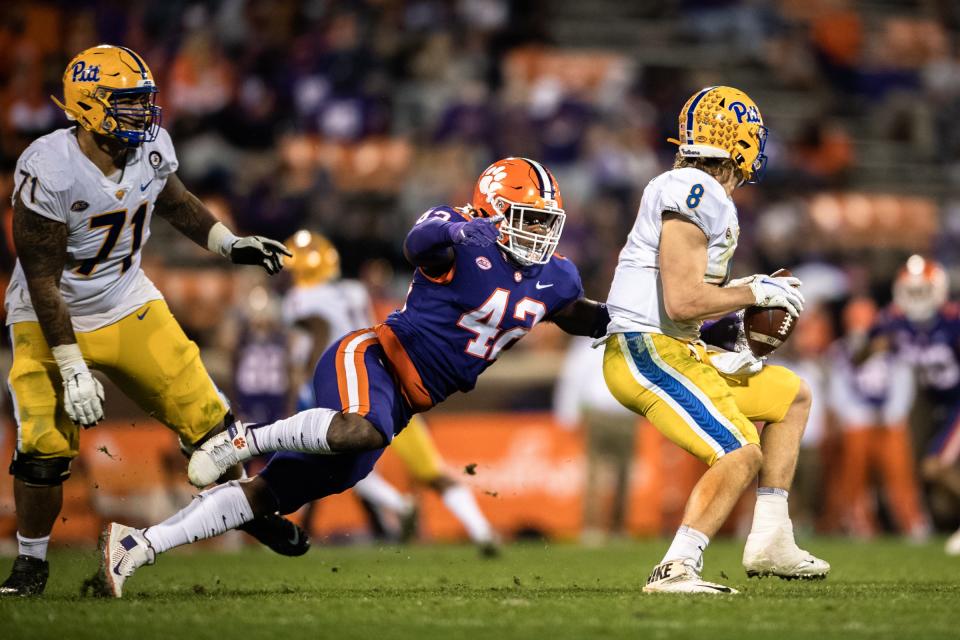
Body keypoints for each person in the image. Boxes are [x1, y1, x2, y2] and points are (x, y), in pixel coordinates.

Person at [91, 157, 610, 597]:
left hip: (403, 404)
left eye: (546, 221)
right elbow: (418, 242)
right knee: (363, 427)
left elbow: (583, 316)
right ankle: (242, 441)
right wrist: (458, 229)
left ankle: (137, 545)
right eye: (528, 218)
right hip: (372, 358)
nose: (539, 232)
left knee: (270, 496)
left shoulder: (556, 277)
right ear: (492, 213)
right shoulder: (457, 234)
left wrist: (642, 323)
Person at [0, 45, 302, 597]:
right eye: (128, 102)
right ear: (88, 107)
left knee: (214, 425)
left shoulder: (149, 148)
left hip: (127, 299)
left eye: (144, 101)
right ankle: (30, 564)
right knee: (43, 447)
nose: (144, 113)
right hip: (49, 314)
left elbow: (177, 202)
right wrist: (71, 367)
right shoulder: (49, 166)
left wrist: (229, 245)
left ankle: (248, 509)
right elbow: (43, 279)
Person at [600, 86, 829, 594]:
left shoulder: (695, 190)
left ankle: (772, 537)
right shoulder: (693, 188)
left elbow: (686, 305)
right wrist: (753, 290)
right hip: (649, 349)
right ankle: (676, 567)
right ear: (738, 142)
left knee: (791, 394)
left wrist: (738, 340)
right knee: (740, 452)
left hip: (677, 346)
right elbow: (682, 301)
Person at [282, 231, 497, 553]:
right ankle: (481, 530)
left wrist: (306, 389)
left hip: (346, 385)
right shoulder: (352, 290)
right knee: (428, 470)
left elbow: (320, 336)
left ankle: (398, 505)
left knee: (344, 460)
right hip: (389, 383)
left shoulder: (303, 298)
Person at [869, 256, 960, 554]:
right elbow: (862, 351)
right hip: (935, 406)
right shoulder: (894, 322)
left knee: (934, 467)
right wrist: (873, 346)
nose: (917, 299)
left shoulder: (953, 321)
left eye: (923, 291)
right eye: (913, 291)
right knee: (929, 472)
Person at [826, 297, 928, 540]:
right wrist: (853, 414)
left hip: (888, 422)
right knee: (854, 478)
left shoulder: (892, 346)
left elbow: (903, 379)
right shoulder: (840, 350)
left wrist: (895, 411)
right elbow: (838, 385)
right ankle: (859, 524)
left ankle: (912, 521)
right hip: (858, 422)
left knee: (900, 475)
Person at [554, 336, 638, 545]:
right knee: (604, 472)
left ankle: (611, 528)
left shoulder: (592, 342)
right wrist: (568, 414)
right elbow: (574, 378)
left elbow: (573, 377)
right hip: (606, 411)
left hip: (622, 412)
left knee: (619, 473)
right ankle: (597, 527)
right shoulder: (628, 338)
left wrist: (567, 415)